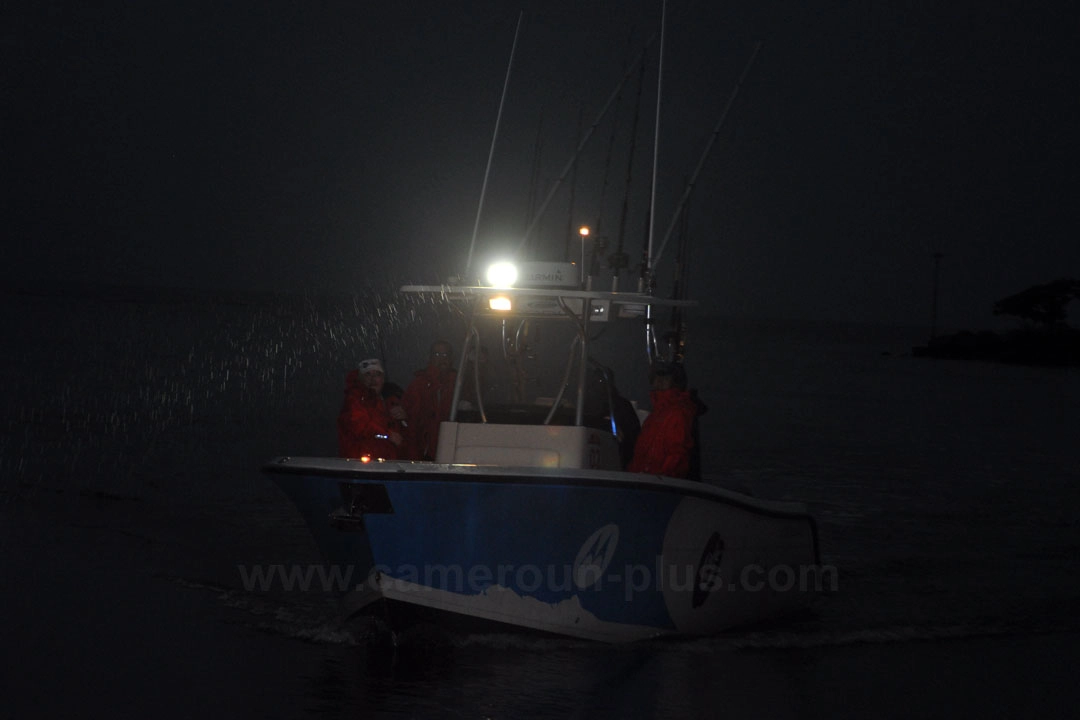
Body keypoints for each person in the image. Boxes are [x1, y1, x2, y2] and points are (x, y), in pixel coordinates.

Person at [627, 361, 697, 479]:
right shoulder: (653, 417)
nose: (660, 381)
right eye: (657, 377)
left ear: (675, 382)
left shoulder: (678, 413)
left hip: (662, 488)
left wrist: (663, 479)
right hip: (644, 485)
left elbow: (678, 453)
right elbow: (640, 455)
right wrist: (630, 478)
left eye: (666, 377)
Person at [337, 358, 408, 460]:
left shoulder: (391, 401)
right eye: (368, 375)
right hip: (361, 465)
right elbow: (360, 426)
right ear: (361, 379)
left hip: (388, 464)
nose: (373, 379)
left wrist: (405, 419)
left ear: (383, 379)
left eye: (377, 374)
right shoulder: (354, 400)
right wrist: (388, 435)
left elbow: (407, 436)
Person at [402, 340, 457, 460]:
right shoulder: (418, 384)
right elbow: (411, 421)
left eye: (445, 355)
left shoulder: (460, 384)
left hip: (454, 450)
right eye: (437, 354)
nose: (441, 359)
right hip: (424, 452)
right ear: (430, 357)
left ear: (451, 358)